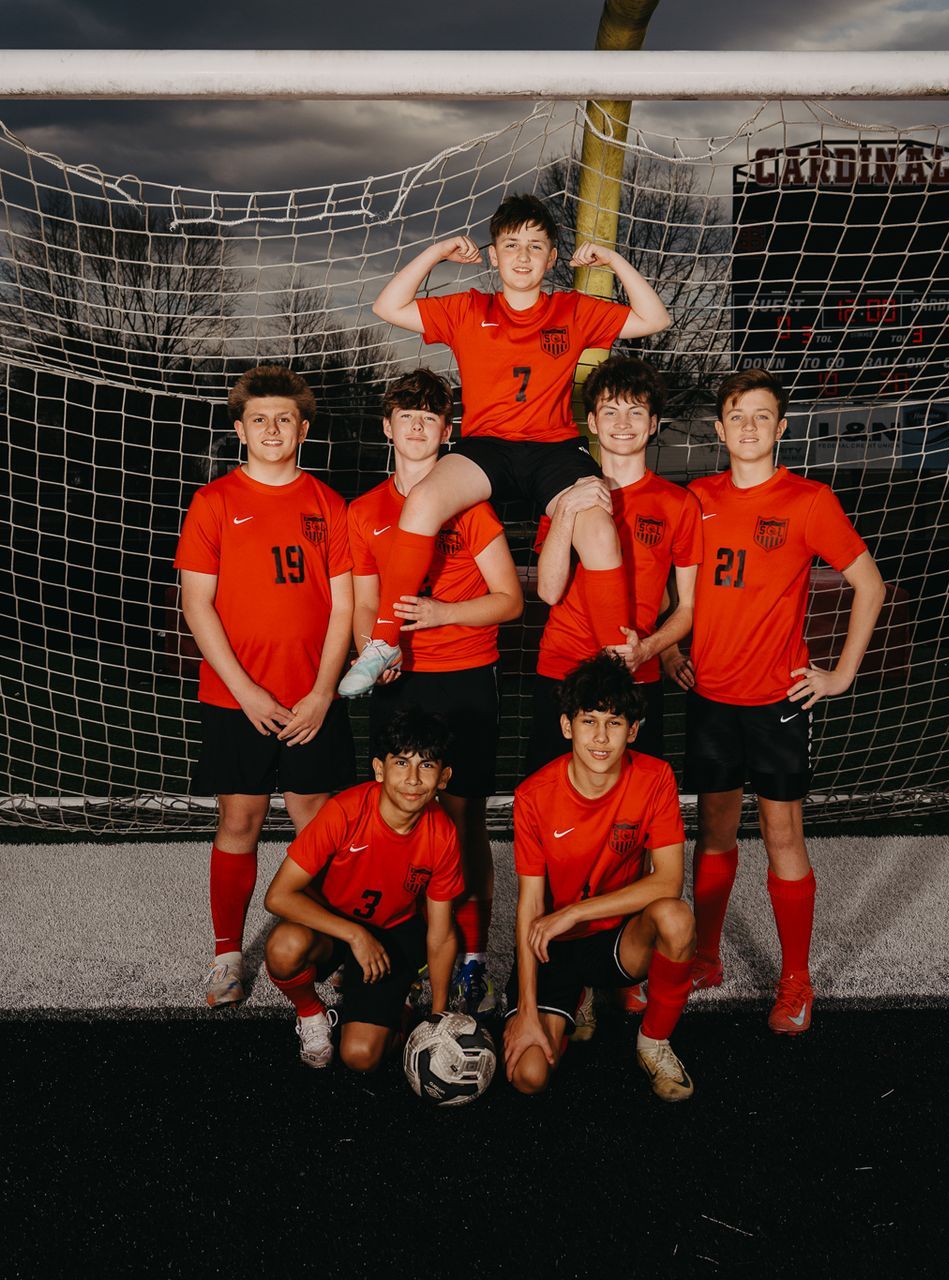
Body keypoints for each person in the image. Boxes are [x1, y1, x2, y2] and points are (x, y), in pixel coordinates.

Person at [338, 191, 672, 697]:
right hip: (486, 447)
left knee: (600, 529)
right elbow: (388, 305)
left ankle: (613, 658)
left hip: (553, 448)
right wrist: (437, 252)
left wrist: (612, 259)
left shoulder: (572, 310)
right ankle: (383, 641)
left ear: (552, 258)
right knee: (424, 500)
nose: (522, 256)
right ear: (492, 255)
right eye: (511, 245)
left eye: (536, 247)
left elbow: (654, 319)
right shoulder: (468, 309)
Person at [679, 367, 886, 1035]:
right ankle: (705, 958)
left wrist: (841, 674)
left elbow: (869, 584)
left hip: (776, 701)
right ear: (719, 428)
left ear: (781, 427)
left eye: (762, 416)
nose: (748, 426)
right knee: (712, 833)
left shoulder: (808, 499)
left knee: (781, 835)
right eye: (737, 415)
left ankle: (795, 978)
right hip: (711, 697)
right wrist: (668, 651)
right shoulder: (697, 498)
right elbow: (673, 588)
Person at [173, 363, 355, 1008]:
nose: (272, 429)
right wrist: (247, 691)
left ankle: (329, 947)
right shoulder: (215, 502)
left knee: (318, 827)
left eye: (284, 419)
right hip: (235, 698)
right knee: (240, 819)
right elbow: (197, 605)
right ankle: (227, 954)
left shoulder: (328, 505)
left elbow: (343, 608)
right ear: (240, 430)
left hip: (311, 700)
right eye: (259, 419)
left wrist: (323, 692)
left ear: (303, 429)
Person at [348, 368, 522, 1015]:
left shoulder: (469, 508)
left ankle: (472, 958)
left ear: (447, 434)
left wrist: (440, 615)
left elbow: (509, 600)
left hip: (467, 679)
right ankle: (416, 948)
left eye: (431, 420)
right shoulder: (363, 512)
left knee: (463, 820)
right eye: (407, 418)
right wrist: (377, 648)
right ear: (388, 428)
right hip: (402, 684)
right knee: (399, 817)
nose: (418, 429)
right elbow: (365, 606)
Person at [503, 653, 699, 1102]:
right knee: (528, 1076)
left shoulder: (655, 779)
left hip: (616, 938)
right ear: (567, 726)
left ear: (632, 731)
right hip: (554, 946)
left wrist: (574, 913)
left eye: (614, 723)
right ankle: (577, 996)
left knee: (676, 919)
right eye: (589, 721)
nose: (601, 737)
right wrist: (528, 1011)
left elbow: (668, 882)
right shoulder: (533, 797)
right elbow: (530, 905)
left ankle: (654, 1042)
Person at [261, 709, 465, 1071]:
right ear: (380, 769)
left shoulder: (443, 834)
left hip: (392, 932)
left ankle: (399, 1008)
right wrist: (354, 934)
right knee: (283, 947)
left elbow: (441, 932)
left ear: (444, 777)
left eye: (427, 766)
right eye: (401, 762)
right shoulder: (344, 812)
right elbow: (277, 896)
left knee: (359, 1057)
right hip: (333, 923)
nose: (413, 779)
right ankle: (311, 1015)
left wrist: (439, 1018)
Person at [527, 355, 701, 775]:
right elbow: (549, 591)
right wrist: (568, 510)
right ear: (592, 421)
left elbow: (686, 610)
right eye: (611, 410)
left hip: (636, 674)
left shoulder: (678, 504)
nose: (623, 422)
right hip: (563, 667)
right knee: (550, 803)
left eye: (635, 411)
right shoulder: (564, 494)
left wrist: (646, 649)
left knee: (634, 812)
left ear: (653, 422)